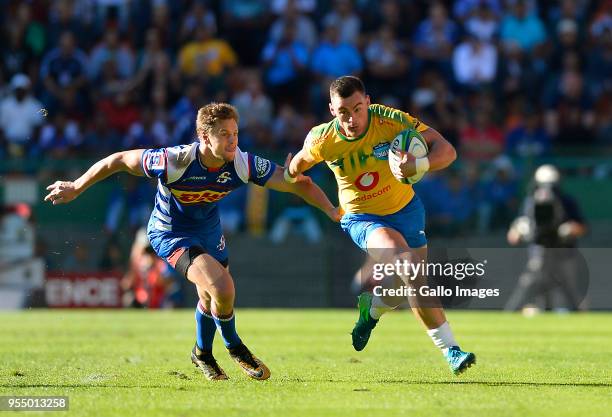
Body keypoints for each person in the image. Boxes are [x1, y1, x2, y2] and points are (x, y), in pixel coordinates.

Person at [45, 102, 340, 381]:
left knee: (210, 297)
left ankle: (202, 353)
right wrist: (77, 186)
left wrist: (331, 210)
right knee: (223, 286)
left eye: (235, 133)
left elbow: (294, 184)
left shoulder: (241, 163)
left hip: (209, 233)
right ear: (203, 136)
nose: (232, 141)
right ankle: (235, 346)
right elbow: (120, 160)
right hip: (170, 233)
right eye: (224, 134)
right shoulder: (175, 160)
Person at [286, 75, 476, 375]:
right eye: (344, 111)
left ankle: (371, 311)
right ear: (332, 111)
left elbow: (447, 151)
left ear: (368, 103)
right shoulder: (322, 140)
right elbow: (295, 171)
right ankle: (451, 350)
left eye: (358, 108)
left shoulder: (390, 120)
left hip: (406, 210)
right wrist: (324, 203)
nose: (352, 118)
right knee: (410, 268)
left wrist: (418, 165)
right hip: (362, 218)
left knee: (404, 285)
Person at [505, 164, 587, 312]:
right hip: (539, 252)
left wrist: (568, 229)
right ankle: (512, 311)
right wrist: (519, 229)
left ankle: (578, 312)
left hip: (563, 252)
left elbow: (582, 227)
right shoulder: (530, 203)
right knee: (531, 283)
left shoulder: (567, 202)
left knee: (569, 287)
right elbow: (515, 233)